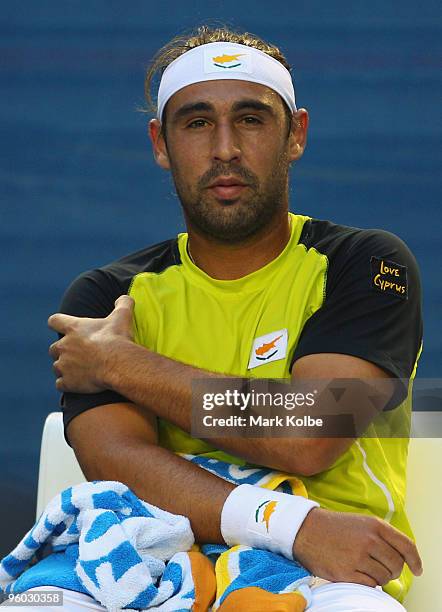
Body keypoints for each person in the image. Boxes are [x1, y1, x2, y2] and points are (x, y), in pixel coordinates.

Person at [46, 26, 423, 611]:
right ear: (161, 143)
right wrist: (289, 523)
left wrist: (123, 364)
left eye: (251, 119)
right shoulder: (108, 295)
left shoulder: (367, 262)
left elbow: (310, 430)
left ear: (295, 133)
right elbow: (114, 460)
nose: (225, 148)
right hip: (156, 562)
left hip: (333, 575)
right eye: (197, 123)